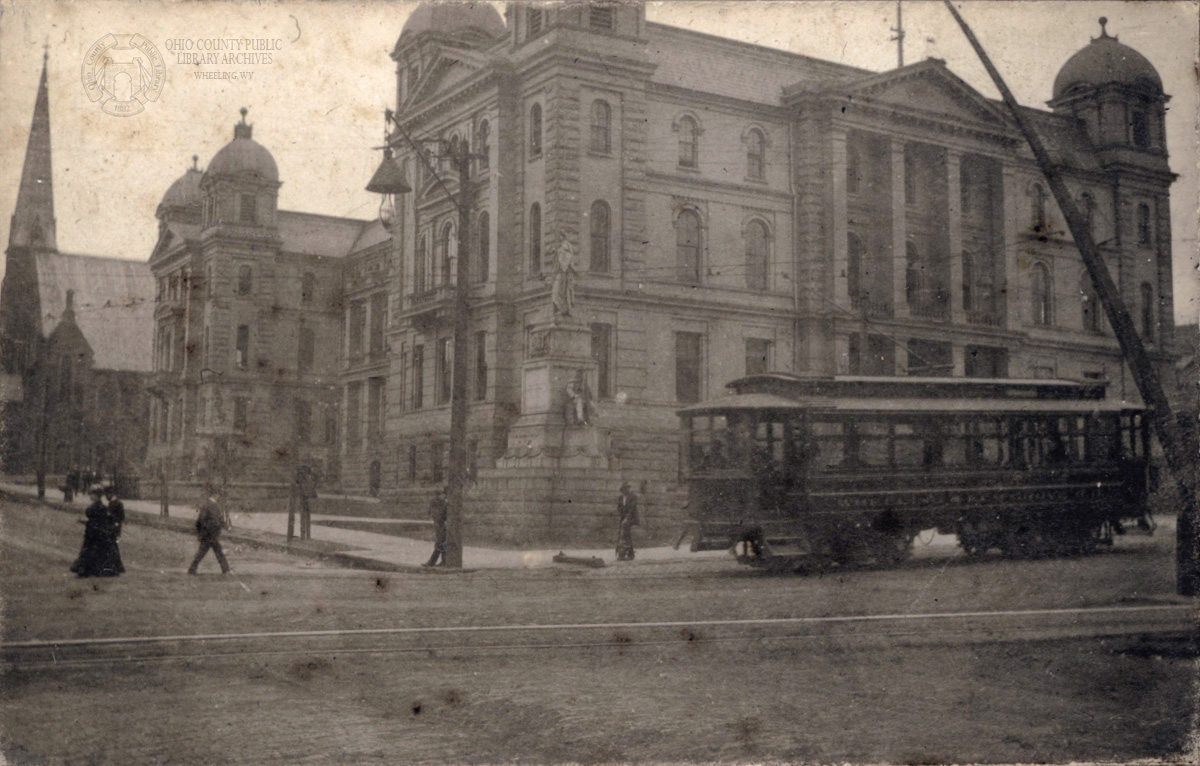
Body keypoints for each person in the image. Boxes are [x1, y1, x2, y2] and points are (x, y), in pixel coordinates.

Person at [70, 486, 123, 578]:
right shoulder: (101, 507)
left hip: (94, 532)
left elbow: (97, 520)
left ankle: (85, 570)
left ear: (97, 496)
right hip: (96, 531)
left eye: (92, 494)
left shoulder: (97, 507)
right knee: (96, 551)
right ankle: (93, 570)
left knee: (89, 550)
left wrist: (85, 521)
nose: (90, 496)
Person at [188, 493, 231, 575]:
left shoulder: (212, 505)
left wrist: (226, 527)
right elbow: (202, 520)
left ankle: (192, 569)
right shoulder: (209, 505)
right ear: (215, 495)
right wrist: (206, 530)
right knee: (215, 551)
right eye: (217, 494)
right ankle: (226, 569)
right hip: (209, 534)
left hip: (210, 534)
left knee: (204, 552)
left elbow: (219, 519)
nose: (218, 496)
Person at [615, 482, 640, 561]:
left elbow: (632, 509)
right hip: (623, 519)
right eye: (624, 489)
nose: (626, 490)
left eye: (627, 488)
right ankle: (630, 554)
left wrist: (627, 518)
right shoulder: (620, 498)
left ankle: (624, 553)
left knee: (625, 534)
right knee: (626, 534)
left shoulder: (633, 497)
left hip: (631, 518)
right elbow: (619, 507)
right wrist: (621, 516)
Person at [424, 487, 448, 567]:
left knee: (440, 543)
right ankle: (442, 561)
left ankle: (433, 562)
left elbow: (432, 514)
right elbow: (441, 515)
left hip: (440, 525)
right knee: (441, 543)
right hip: (440, 525)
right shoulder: (441, 503)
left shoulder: (439, 502)